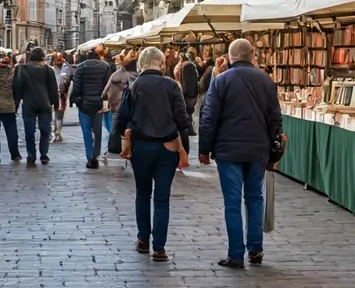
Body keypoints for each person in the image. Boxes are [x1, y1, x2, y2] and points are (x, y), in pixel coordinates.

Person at [199, 38, 282, 269]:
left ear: (230, 56)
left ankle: (236, 254)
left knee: (232, 201)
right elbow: (275, 116)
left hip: (229, 150)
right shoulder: (266, 81)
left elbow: (209, 116)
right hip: (258, 149)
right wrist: (274, 141)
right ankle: (255, 249)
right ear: (252, 55)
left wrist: (204, 149)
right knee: (255, 197)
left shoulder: (221, 81)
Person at [113, 46, 193, 263]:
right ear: (162, 64)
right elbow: (183, 120)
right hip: (167, 147)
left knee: (142, 193)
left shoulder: (134, 85)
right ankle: (159, 247)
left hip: (141, 147)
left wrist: (124, 135)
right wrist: (184, 148)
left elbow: (121, 117)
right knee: (162, 197)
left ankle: (143, 239)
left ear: (140, 64)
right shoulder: (171, 85)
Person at [13, 47, 58, 166]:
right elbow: (53, 90)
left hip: (29, 103)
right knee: (45, 129)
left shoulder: (22, 69)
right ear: (43, 58)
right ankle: (44, 154)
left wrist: (16, 103)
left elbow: (17, 87)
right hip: (45, 104)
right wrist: (55, 104)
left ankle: (31, 154)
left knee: (29, 131)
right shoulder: (49, 70)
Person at [69, 49, 111, 169]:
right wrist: (104, 103)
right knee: (97, 132)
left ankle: (89, 156)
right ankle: (95, 157)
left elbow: (76, 87)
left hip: (85, 105)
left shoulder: (80, 67)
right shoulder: (105, 66)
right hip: (98, 105)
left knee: (86, 131)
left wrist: (78, 102)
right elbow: (107, 86)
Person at [103, 48, 139, 136]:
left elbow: (105, 92)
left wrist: (105, 102)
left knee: (115, 133)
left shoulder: (116, 74)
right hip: (133, 111)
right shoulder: (139, 77)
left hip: (116, 108)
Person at [178, 49, 200, 146]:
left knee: (188, 113)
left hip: (189, 95)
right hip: (191, 94)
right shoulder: (189, 65)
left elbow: (187, 83)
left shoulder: (187, 65)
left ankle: (190, 130)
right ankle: (190, 130)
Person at [50, 53, 70, 142]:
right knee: (59, 114)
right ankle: (58, 132)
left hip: (52, 93)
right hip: (62, 93)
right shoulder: (66, 69)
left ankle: (56, 132)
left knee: (56, 113)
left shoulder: (50, 70)